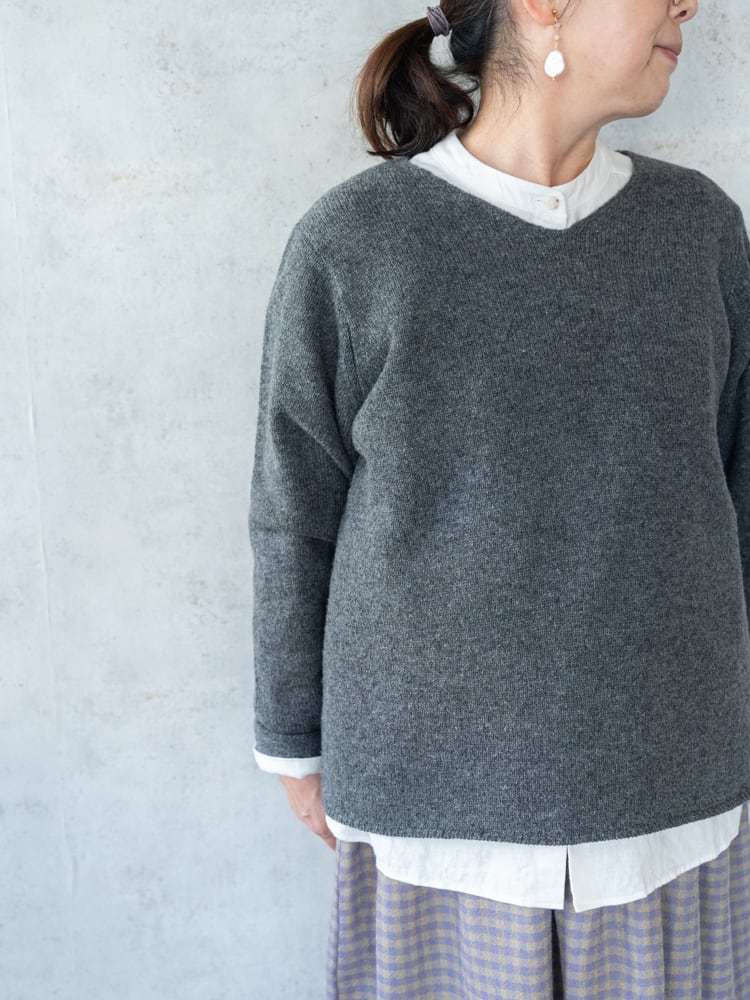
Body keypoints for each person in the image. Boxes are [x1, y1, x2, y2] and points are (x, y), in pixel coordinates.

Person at [249, 0, 750, 995]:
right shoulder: (357, 242)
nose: (689, 4)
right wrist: (292, 739)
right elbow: (293, 509)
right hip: (432, 817)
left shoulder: (700, 231)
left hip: (670, 800)